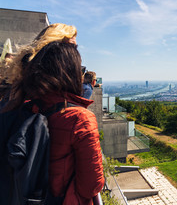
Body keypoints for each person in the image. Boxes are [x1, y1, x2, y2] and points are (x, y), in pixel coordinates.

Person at [3, 41, 104, 204]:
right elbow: (91, 186)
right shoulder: (79, 119)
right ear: (69, 72)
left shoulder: (23, 108)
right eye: (80, 69)